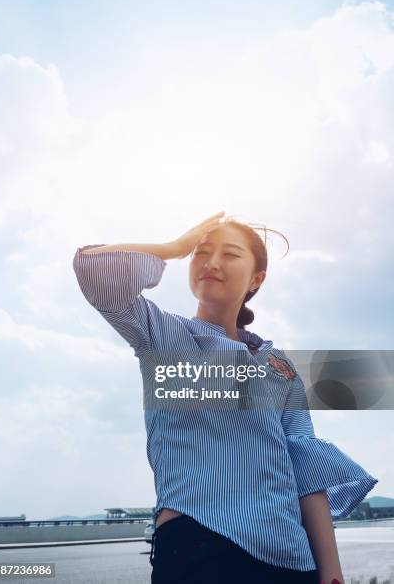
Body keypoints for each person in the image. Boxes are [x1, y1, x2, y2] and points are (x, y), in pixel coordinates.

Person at [73, 211, 378, 584]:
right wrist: (175, 247)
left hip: (291, 558)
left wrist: (331, 574)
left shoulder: (278, 366)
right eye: (201, 253)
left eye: (230, 254)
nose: (212, 263)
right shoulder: (164, 335)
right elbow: (93, 271)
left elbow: (305, 465)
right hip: (198, 545)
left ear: (257, 278)